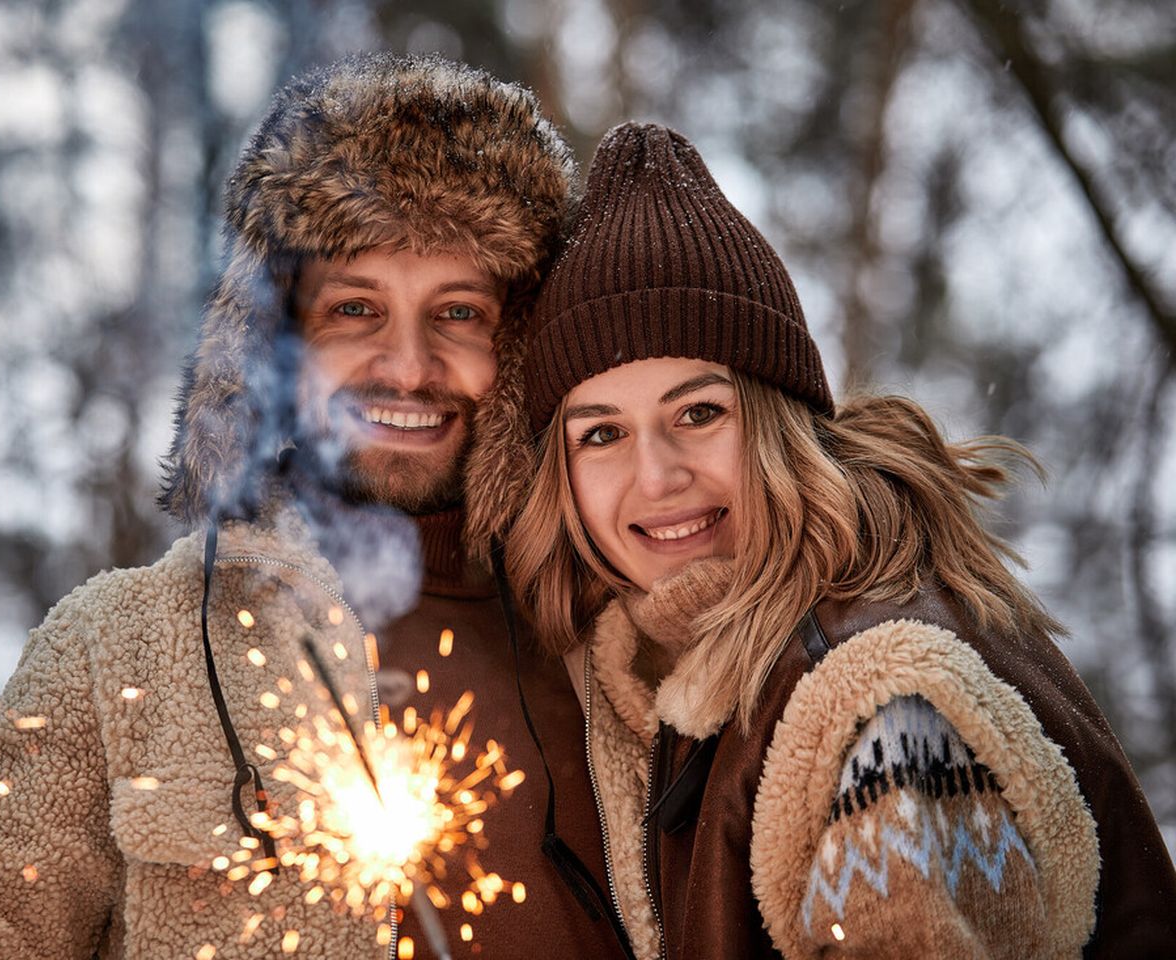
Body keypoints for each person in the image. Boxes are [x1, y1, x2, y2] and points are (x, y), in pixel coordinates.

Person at [0, 55, 624, 959]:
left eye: (460, 313)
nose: (407, 365)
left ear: (518, 343)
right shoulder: (122, 645)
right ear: (274, 341)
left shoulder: (613, 644)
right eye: (356, 309)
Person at [482, 122, 1176, 958]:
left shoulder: (877, 710)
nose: (656, 476)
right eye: (602, 435)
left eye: (700, 413)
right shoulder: (703, 676)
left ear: (779, 423)